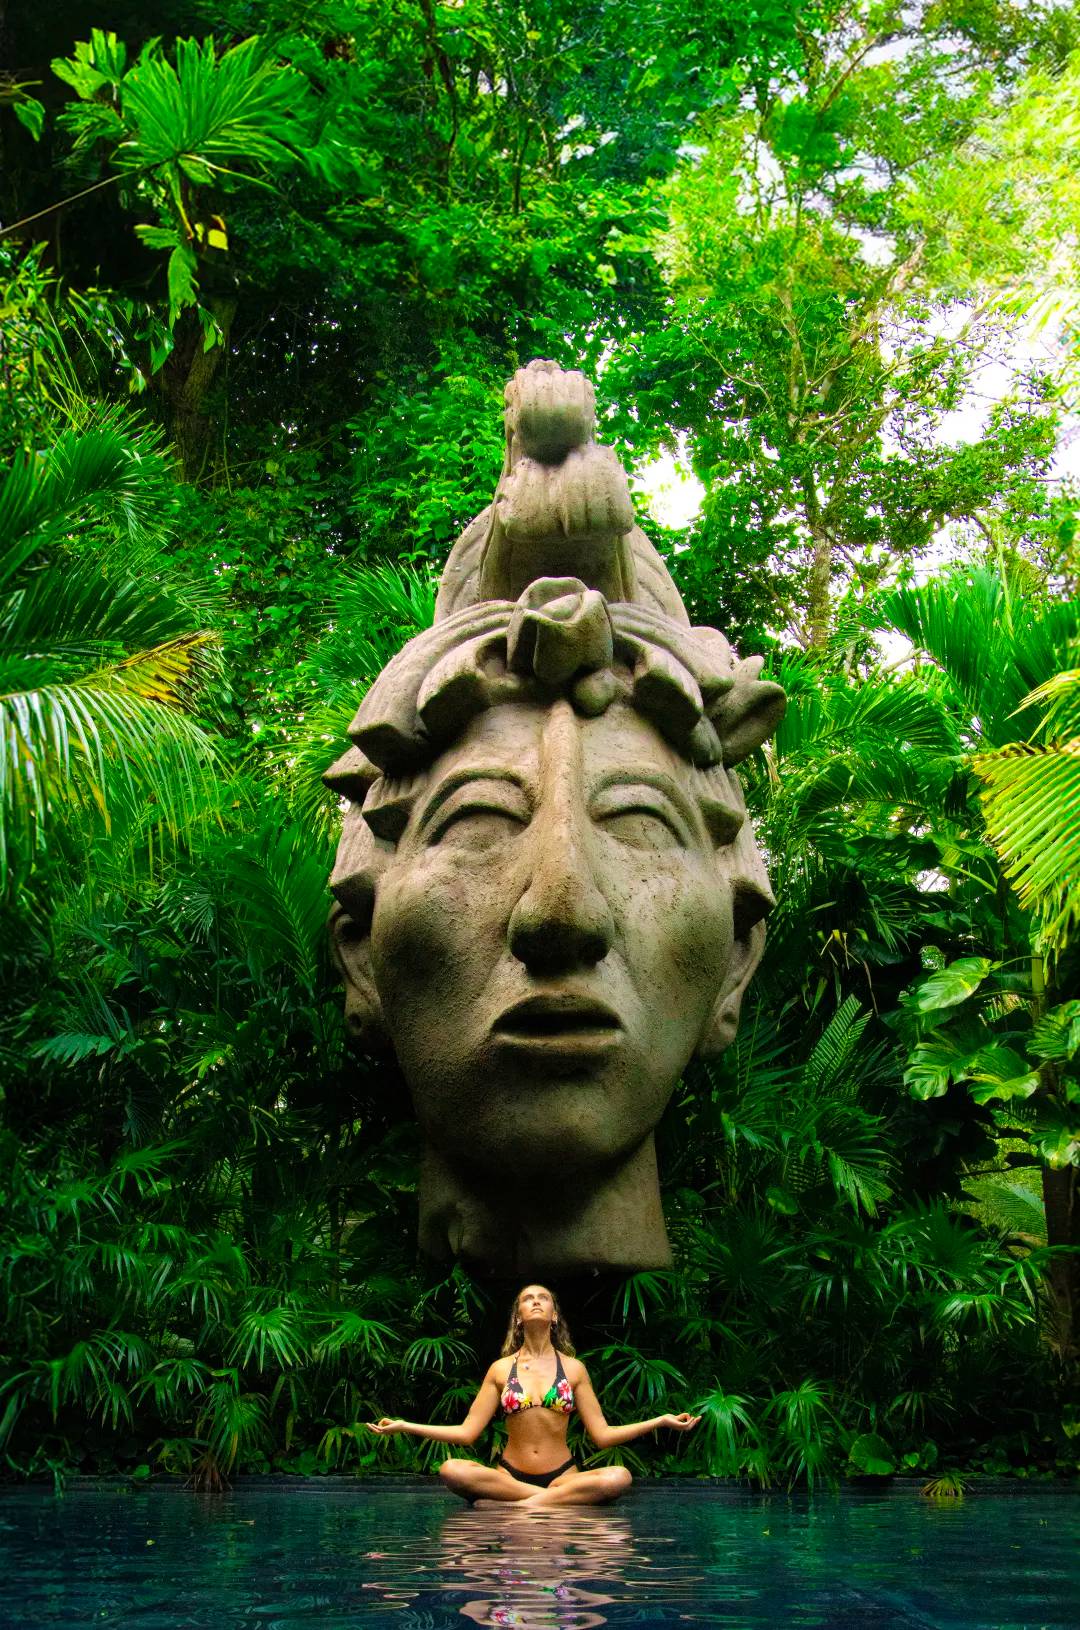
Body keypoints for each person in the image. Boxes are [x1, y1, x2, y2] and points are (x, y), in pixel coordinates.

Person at [367, 1283, 699, 1507]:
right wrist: (404, 1425)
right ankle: (548, 1502)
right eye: (528, 1298)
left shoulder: (574, 1369)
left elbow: (603, 1435)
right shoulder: (500, 1369)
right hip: (510, 1476)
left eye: (543, 1298)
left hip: (563, 1476)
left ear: (554, 1316)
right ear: (518, 1317)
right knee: (453, 1469)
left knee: (619, 1476)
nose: (536, 1301)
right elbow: (467, 1434)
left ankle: (524, 1506)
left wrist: (661, 1420)